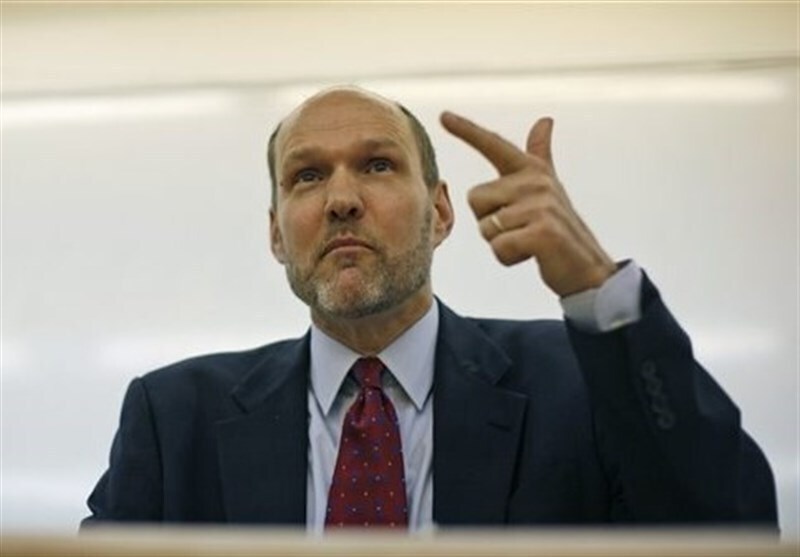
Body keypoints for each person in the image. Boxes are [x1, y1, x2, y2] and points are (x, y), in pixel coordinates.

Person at [83, 86, 777, 532]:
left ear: (440, 213)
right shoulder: (173, 418)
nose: (341, 199)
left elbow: (734, 525)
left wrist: (595, 287)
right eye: (307, 175)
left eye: (378, 165)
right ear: (276, 235)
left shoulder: (580, 379)